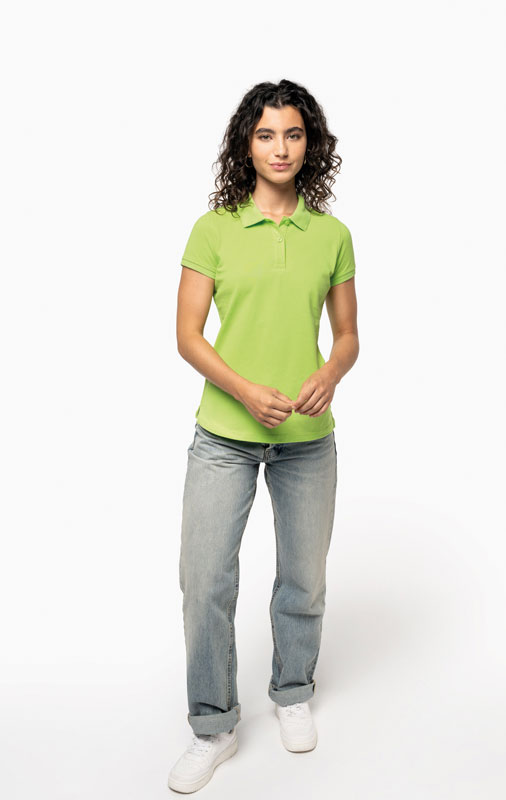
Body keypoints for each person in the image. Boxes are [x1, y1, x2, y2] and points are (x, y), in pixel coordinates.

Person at [168, 78, 359, 793]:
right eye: (266, 134)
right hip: (224, 434)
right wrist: (247, 390)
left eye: (294, 134)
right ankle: (213, 724)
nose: (281, 148)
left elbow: (348, 336)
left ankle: (293, 691)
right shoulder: (213, 229)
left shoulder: (332, 235)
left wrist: (331, 372)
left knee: (304, 578)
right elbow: (188, 336)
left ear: (311, 145)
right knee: (204, 581)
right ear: (245, 146)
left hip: (308, 439)